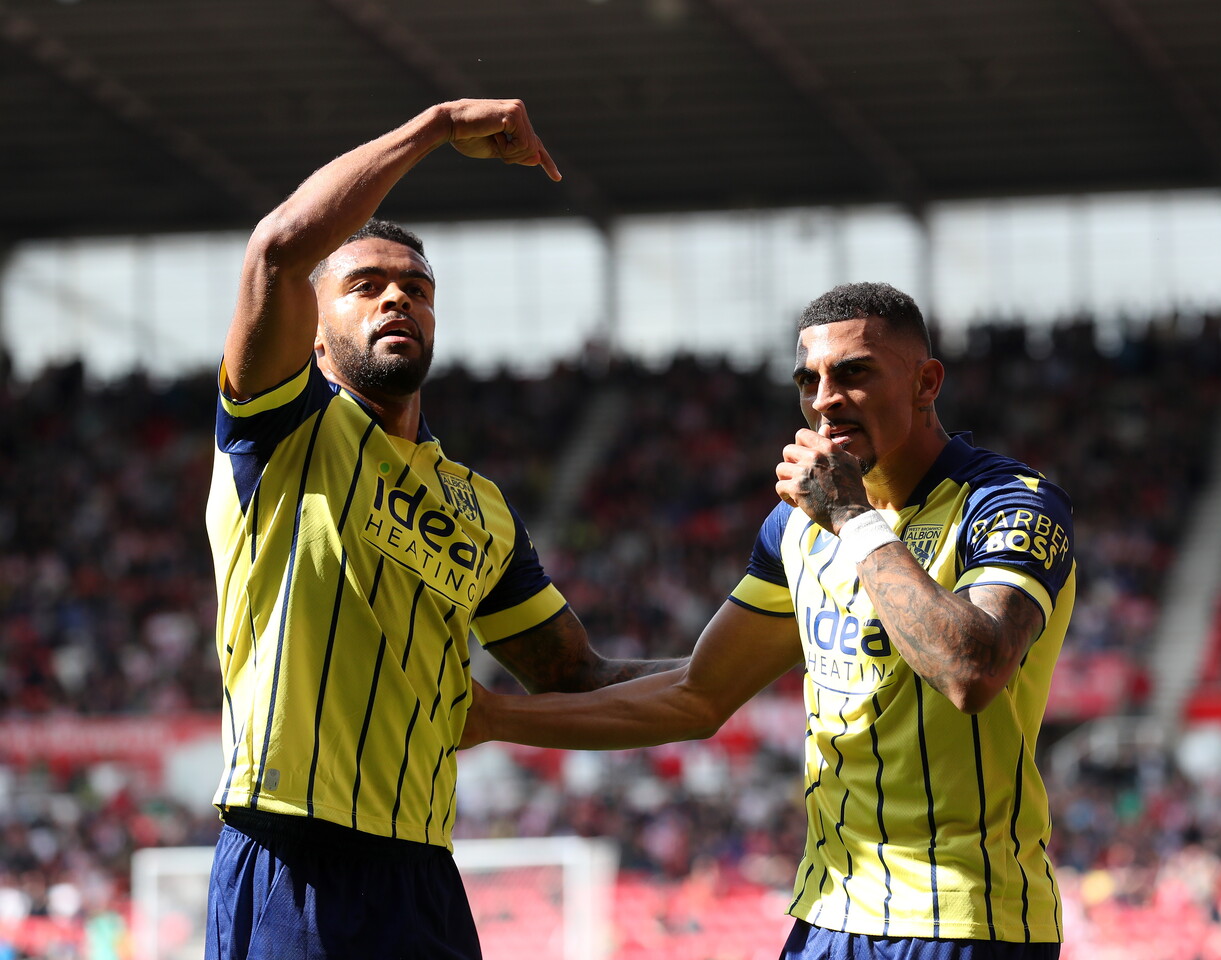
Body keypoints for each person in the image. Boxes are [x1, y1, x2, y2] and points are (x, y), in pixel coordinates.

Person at [465, 281, 1077, 959]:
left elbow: (972, 671)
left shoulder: (1009, 505)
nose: (824, 400)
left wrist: (850, 516)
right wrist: (492, 717)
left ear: (926, 382)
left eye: (853, 374)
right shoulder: (796, 525)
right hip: (826, 915)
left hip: (965, 920)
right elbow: (698, 694)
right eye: (808, 380)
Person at [204, 98, 683, 960]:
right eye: (366, 285)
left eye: (417, 290)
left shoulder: (482, 508)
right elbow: (278, 249)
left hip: (424, 876)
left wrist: (767, 648)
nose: (398, 298)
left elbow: (576, 676)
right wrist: (435, 128)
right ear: (311, 332)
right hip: (290, 857)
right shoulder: (281, 427)